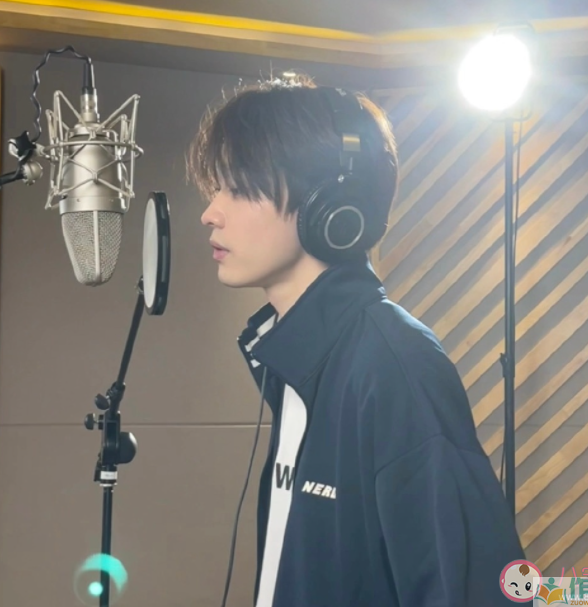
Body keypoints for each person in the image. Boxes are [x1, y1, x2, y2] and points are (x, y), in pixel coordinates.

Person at [188, 74, 527, 607]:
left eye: (237, 187)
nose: (210, 212)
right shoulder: (301, 360)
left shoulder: (395, 367)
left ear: (330, 206)